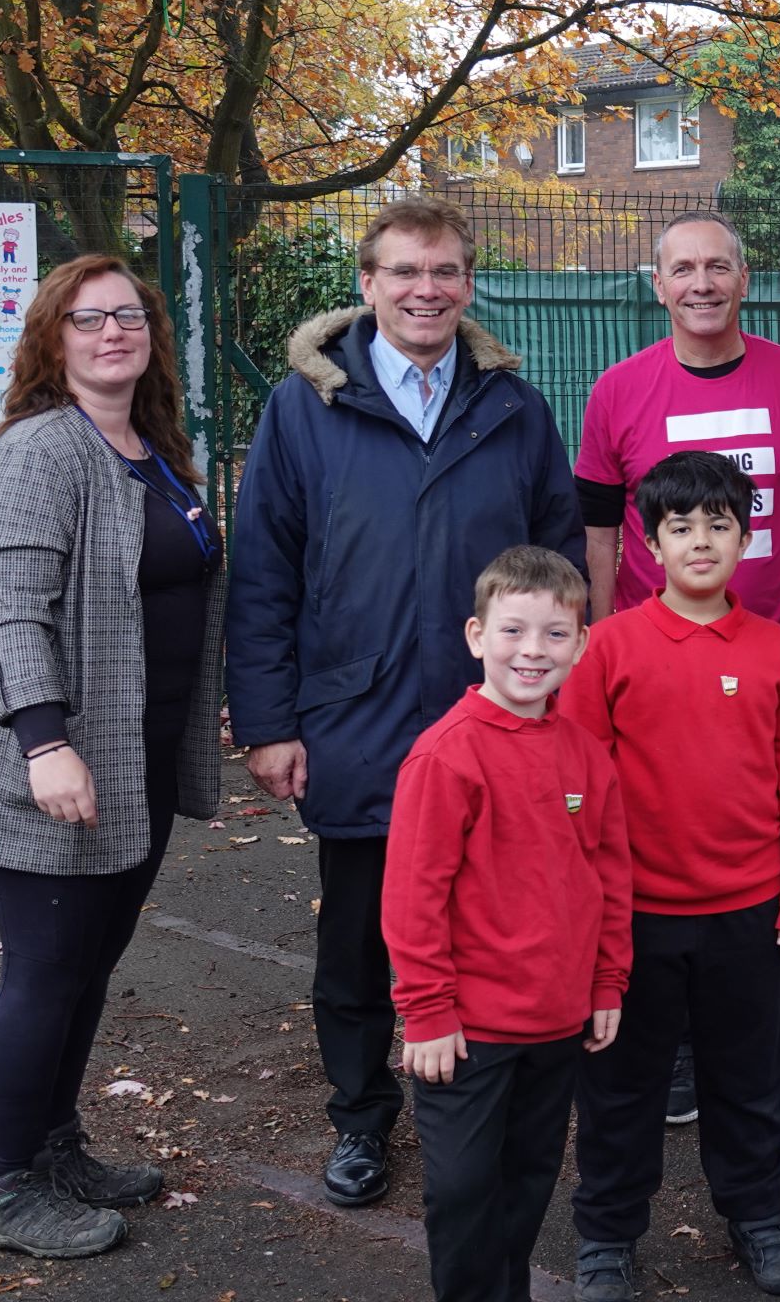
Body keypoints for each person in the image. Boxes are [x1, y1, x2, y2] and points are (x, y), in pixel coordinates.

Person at [227, 196, 585, 1210]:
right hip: (357, 718)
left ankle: (475, 1098)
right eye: (403, 272)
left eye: (443, 273)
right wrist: (267, 721)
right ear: (368, 284)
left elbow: (557, 562)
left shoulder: (513, 408)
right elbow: (264, 573)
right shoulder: (307, 407)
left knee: (494, 918)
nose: (425, 291)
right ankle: (359, 1119)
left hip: (493, 725)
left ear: (467, 283)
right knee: (360, 939)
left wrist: (553, 692)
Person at [0, 257, 226, 1259]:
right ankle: (1, 1188)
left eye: (130, 316)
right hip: (55, 761)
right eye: (89, 319)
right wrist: (45, 742)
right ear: (53, 340)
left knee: (88, 966)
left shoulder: (148, 448)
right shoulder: (39, 451)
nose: (114, 332)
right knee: (47, 969)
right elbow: (9, 610)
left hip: (133, 757)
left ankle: (51, 1145)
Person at [574, 209, 780, 1154]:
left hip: (779, 660)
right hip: (657, 672)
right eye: (681, 268)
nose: (700, 283)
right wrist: (602, 638)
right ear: (657, 285)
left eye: (716, 266)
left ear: (743, 276)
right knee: (656, 858)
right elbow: (601, 529)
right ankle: (679, 1053)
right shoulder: (617, 393)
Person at [560, 451, 780, 1300]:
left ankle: (756, 1216)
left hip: (746, 914)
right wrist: (585, 904)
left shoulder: (778, 654)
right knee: (620, 1086)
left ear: (746, 539)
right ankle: (606, 1234)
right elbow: (575, 789)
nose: (701, 541)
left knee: (746, 1081)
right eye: (682, 527)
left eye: (719, 525)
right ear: (650, 540)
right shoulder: (607, 650)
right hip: (633, 918)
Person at [384, 547, 631, 1302]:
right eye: (513, 630)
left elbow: (609, 879)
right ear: (475, 635)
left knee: (528, 1181)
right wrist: (425, 1010)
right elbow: (412, 895)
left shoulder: (587, 756)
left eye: (555, 634)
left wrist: (606, 981)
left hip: (556, 1022)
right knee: (462, 1192)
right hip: (467, 1032)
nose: (532, 651)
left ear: (581, 644)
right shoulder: (446, 757)